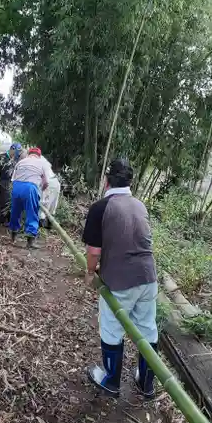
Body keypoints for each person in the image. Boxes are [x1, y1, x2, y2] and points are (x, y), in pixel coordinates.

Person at [82, 158, 158, 398]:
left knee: (112, 328)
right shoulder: (140, 205)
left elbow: (94, 251)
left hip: (119, 281)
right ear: (130, 182)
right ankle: (146, 384)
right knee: (147, 329)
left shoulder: (101, 207)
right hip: (148, 277)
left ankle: (111, 380)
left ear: (107, 181)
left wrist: (90, 272)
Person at [10, 147, 49, 248]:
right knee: (32, 213)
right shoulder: (42, 164)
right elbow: (46, 183)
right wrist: (40, 190)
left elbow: (13, 179)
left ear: (29, 154)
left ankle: (13, 237)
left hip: (16, 186)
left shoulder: (20, 162)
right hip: (30, 188)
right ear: (39, 156)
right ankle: (30, 242)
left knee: (15, 211)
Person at [0, 143, 26, 225]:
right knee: (4, 201)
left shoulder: (16, 159)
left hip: (14, 182)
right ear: (12, 149)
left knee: (13, 201)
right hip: (4, 182)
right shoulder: (1, 157)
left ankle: (11, 221)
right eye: (16, 151)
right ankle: (2, 221)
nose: (17, 153)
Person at [39, 155, 61, 229]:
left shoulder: (36, 161)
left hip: (48, 182)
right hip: (55, 181)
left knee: (43, 203)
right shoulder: (43, 159)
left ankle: (42, 226)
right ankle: (49, 225)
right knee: (53, 205)